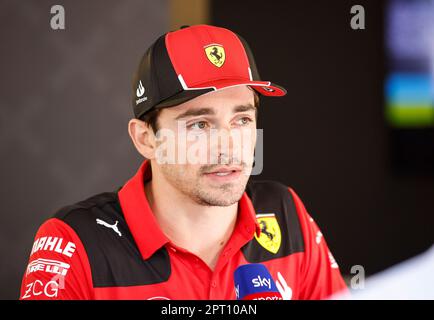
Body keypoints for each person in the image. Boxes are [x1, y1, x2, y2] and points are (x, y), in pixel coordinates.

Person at [20, 24, 347, 300]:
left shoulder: (285, 212)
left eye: (242, 120)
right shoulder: (74, 241)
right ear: (146, 139)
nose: (227, 146)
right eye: (199, 124)